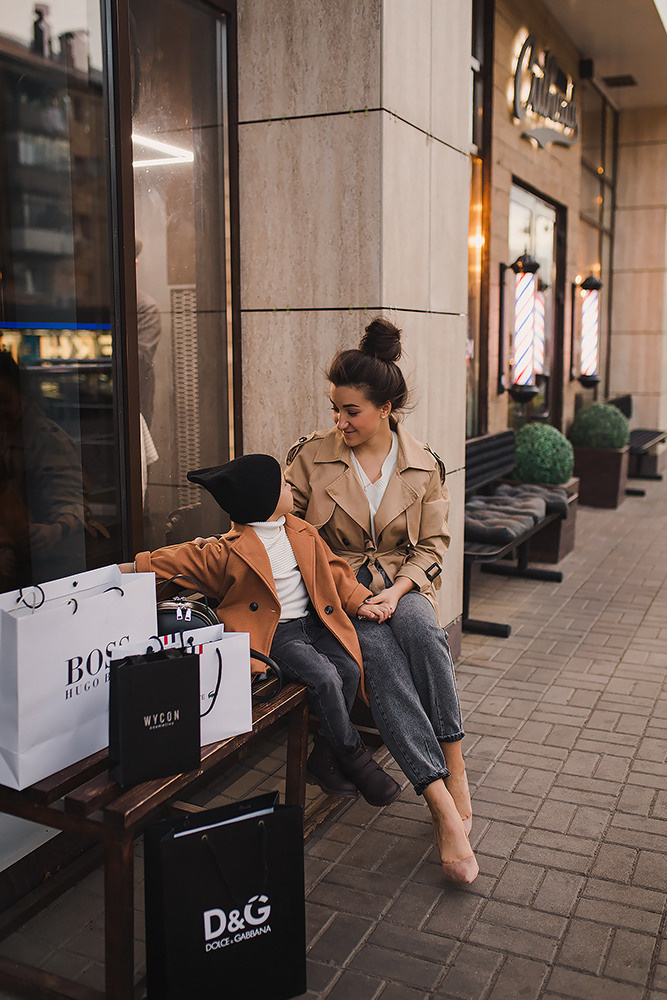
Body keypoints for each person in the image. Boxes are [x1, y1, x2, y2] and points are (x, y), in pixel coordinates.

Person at [285, 317, 478, 884]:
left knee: (421, 632)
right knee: (385, 664)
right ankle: (440, 801)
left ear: (386, 408)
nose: (339, 421)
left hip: (402, 583)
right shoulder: (310, 457)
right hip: (343, 593)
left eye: (351, 411)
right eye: (335, 409)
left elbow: (436, 546)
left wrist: (396, 590)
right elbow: (286, 520)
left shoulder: (424, 464)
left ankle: (456, 763)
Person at [120, 453, 401, 807]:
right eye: (283, 483)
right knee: (325, 677)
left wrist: (361, 601)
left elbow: (334, 572)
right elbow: (166, 561)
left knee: (346, 667)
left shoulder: (300, 530)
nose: (290, 485)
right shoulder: (226, 552)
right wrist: (112, 575)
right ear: (264, 500)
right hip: (276, 635)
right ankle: (355, 758)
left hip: (315, 623)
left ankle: (324, 759)